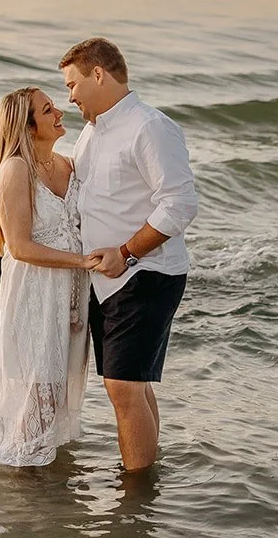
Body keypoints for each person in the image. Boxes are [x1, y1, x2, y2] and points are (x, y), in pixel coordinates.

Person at [60, 37, 198, 474]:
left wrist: (126, 254)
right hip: (106, 279)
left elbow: (179, 203)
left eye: (72, 83)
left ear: (97, 74)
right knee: (131, 385)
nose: (70, 95)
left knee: (121, 385)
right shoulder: (91, 132)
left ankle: (135, 501)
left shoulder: (148, 126)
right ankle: (147, 481)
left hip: (145, 273)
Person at [0, 87, 96, 467]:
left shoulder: (68, 165)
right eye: (47, 110)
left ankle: (40, 481)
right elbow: (21, 247)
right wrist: (83, 262)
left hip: (71, 292)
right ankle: (23, 488)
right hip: (35, 292)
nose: (58, 111)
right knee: (38, 391)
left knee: (57, 392)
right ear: (27, 127)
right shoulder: (14, 171)